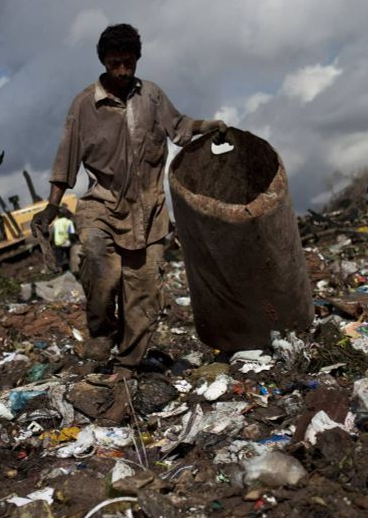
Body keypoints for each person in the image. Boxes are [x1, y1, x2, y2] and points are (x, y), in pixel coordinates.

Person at [33, 24, 226, 379]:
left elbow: (179, 127)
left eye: (128, 63)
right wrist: (50, 206)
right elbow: (66, 160)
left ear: (137, 60)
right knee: (98, 260)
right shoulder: (84, 105)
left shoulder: (151, 96)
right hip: (101, 204)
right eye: (115, 64)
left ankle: (127, 363)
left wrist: (207, 126)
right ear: (103, 63)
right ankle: (102, 331)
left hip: (149, 210)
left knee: (142, 292)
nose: (122, 71)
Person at [49, 207, 76, 271]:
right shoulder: (69, 222)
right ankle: (70, 266)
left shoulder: (56, 223)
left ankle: (60, 267)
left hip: (58, 243)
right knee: (69, 255)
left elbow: (53, 234)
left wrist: (52, 243)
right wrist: (75, 241)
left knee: (58, 257)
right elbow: (71, 234)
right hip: (67, 243)